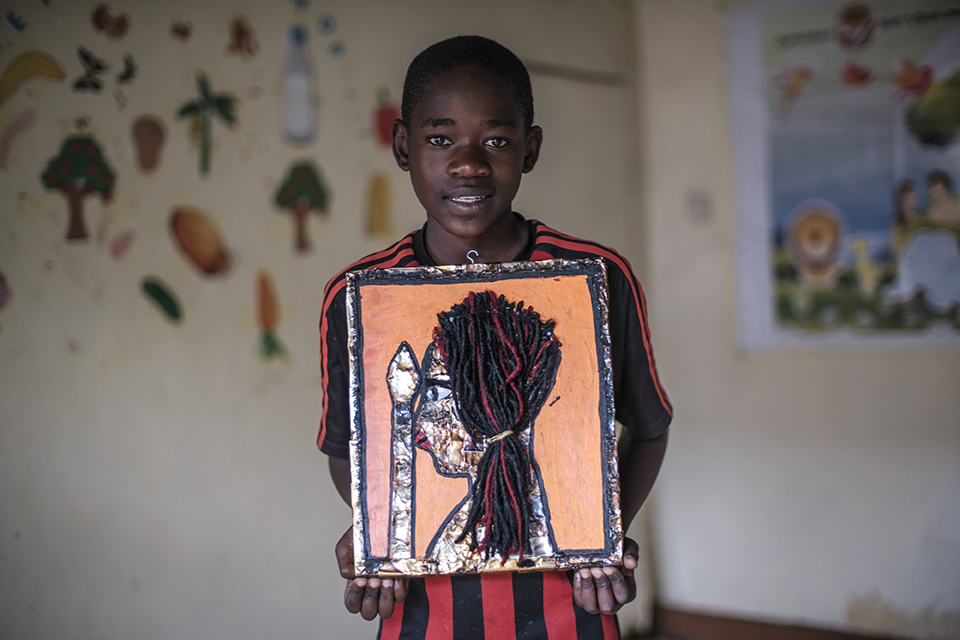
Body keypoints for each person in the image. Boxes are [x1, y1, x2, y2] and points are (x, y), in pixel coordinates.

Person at [318, 35, 672, 639]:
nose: (468, 163)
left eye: (497, 140)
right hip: (424, 612)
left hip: (571, 608)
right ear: (403, 147)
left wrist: (602, 532)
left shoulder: (597, 279)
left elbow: (649, 426)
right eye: (439, 139)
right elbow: (348, 449)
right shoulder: (361, 297)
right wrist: (378, 526)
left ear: (530, 149)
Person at [890, 179, 917, 254]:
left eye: (912, 198)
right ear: (900, 201)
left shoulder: (920, 219)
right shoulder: (897, 223)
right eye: (906, 199)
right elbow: (894, 249)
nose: (910, 202)